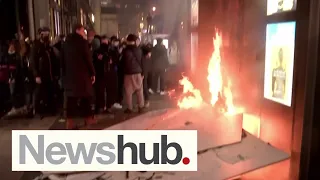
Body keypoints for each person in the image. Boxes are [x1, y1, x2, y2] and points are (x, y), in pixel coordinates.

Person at [61, 24, 96, 129]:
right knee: (86, 97)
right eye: (82, 30)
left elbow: (62, 61)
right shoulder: (82, 42)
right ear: (77, 30)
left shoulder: (66, 43)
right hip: (82, 75)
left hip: (70, 75)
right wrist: (92, 73)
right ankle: (88, 118)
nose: (84, 32)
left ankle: (69, 122)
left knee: (71, 99)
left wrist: (64, 75)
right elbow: (88, 59)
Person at [30, 27, 60, 117]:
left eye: (47, 33)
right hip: (41, 75)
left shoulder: (49, 47)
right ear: (40, 35)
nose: (46, 35)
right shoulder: (36, 47)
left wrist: (56, 73)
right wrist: (36, 75)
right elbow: (33, 62)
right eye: (44, 34)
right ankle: (39, 111)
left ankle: (51, 110)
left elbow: (53, 61)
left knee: (51, 93)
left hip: (50, 75)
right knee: (40, 93)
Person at [122, 34, 144, 113]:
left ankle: (130, 108)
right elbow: (142, 62)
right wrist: (143, 73)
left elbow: (123, 62)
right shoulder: (139, 50)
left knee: (128, 92)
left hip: (128, 73)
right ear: (134, 41)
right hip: (138, 72)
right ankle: (141, 106)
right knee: (139, 90)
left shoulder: (125, 51)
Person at [93, 35, 109, 113]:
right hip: (103, 73)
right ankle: (102, 107)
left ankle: (99, 107)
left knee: (99, 91)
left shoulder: (94, 52)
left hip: (98, 73)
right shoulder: (105, 50)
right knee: (102, 91)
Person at [109, 36, 123, 109]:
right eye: (115, 41)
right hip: (114, 70)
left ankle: (117, 101)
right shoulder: (111, 49)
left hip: (118, 70)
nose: (116, 43)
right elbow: (115, 59)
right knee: (114, 86)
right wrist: (119, 54)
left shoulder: (117, 49)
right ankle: (114, 102)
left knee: (118, 86)